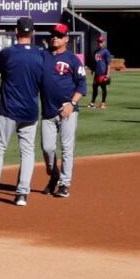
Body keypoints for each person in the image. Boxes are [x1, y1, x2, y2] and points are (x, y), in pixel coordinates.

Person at [0, 16, 46, 207]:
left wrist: (3, 86)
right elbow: (44, 82)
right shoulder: (41, 54)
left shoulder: (7, 53)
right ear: (33, 32)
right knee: (27, 151)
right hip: (31, 109)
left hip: (9, 109)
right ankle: (21, 195)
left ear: (16, 31)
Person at [40, 23, 86, 198]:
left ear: (66, 39)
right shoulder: (43, 56)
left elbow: (82, 86)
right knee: (47, 148)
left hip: (68, 111)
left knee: (67, 149)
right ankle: (54, 176)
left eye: (58, 35)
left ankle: (64, 184)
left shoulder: (73, 60)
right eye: (53, 34)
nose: (54, 37)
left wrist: (72, 104)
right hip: (47, 110)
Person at [89, 36, 112, 109]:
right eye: (99, 41)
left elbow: (108, 64)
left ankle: (103, 103)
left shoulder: (106, 51)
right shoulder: (96, 51)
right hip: (97, 73)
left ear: (104, 42)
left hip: (103, 73)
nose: (100, 43)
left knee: (103, 88)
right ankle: (92, 103)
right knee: (94, 88)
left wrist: (107, 74)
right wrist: (93, 69)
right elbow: (96, 62)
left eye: (101, 42)